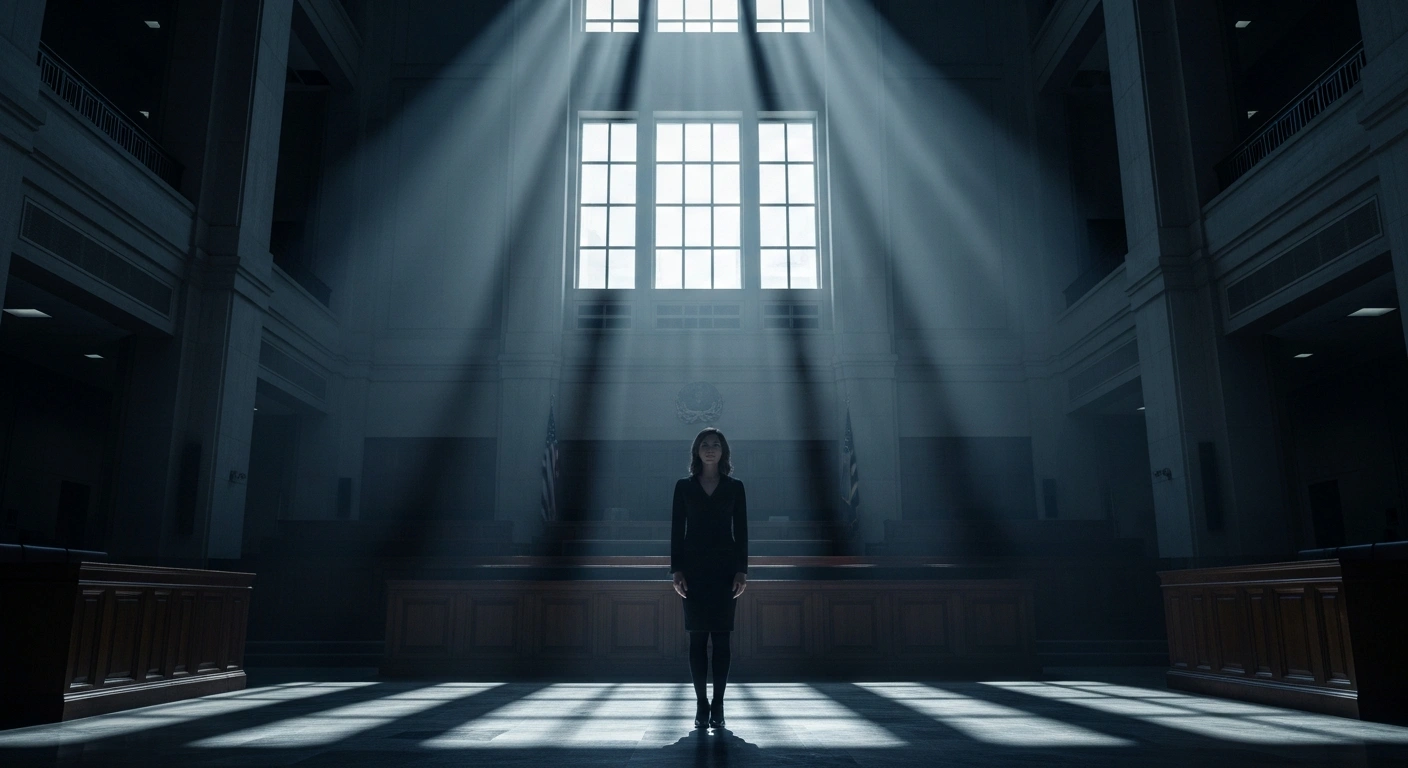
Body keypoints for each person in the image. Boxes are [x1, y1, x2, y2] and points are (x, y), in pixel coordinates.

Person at [670, 427, 748, 729]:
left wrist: (742, 569)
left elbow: (741, 531)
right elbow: (677, 531)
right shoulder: (684, 486)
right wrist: (676, 569)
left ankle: (719, 704)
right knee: (697, 638)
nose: (711, 449)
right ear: (697, 451)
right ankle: (701, 704)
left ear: (723, 451)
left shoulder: (735, 487)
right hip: (693, 569)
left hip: (726, 569)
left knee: (722, 638)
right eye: (705, 445)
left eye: (716, 445)